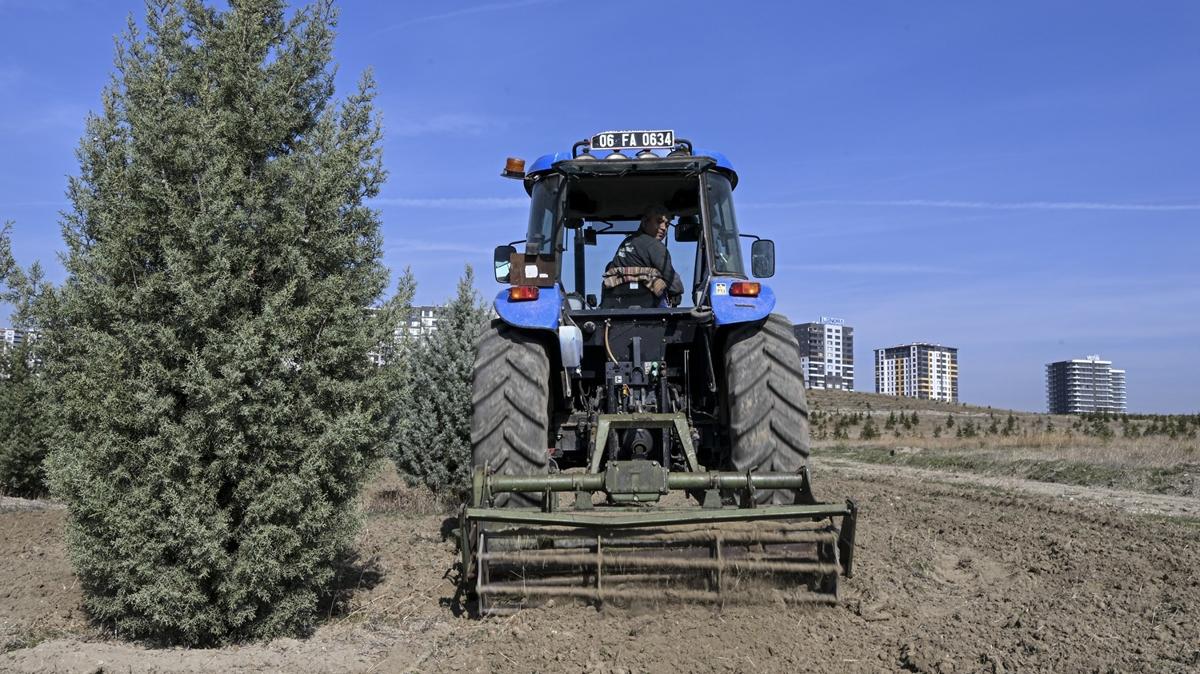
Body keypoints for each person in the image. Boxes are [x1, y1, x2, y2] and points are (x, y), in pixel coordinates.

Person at [600, 206, 684, 308]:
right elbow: (670, 276)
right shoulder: (655, 246)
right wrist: (677, 292)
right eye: (659, 221)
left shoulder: (626, 242)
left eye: (666, 224)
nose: (663, 228)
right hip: (649, 309)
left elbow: (611, 269)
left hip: (616, 307)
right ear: (644, 222)